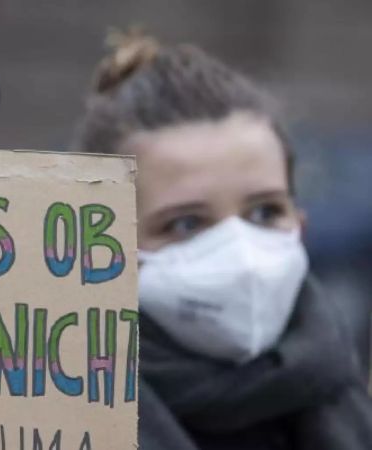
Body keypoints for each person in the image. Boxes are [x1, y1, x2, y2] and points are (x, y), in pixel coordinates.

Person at [75, 31, 372, 449]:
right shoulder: (59, 421)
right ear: (104, 252)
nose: (242, 253)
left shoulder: (345, 396)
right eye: (186, 224)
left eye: (265, 212)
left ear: (299, 225)